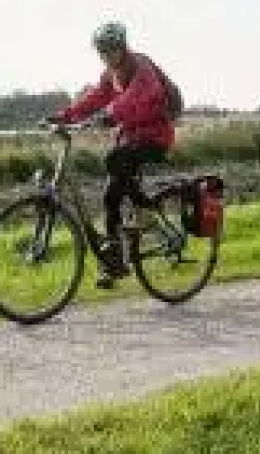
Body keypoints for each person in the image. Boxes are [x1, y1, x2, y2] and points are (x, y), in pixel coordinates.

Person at [44, 22, 177, 287]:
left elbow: (136, 97)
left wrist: (110, 114)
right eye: (100, 51)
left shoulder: (142, 67)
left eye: (108, 50)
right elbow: (94, 98)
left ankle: (146, 211)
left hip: (156, 136)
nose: (104, 56)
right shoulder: (111, 74)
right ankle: (114, 260)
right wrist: (64, 116)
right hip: (133, 135)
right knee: (111, 194)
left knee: (113, 161)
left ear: (121, 47)